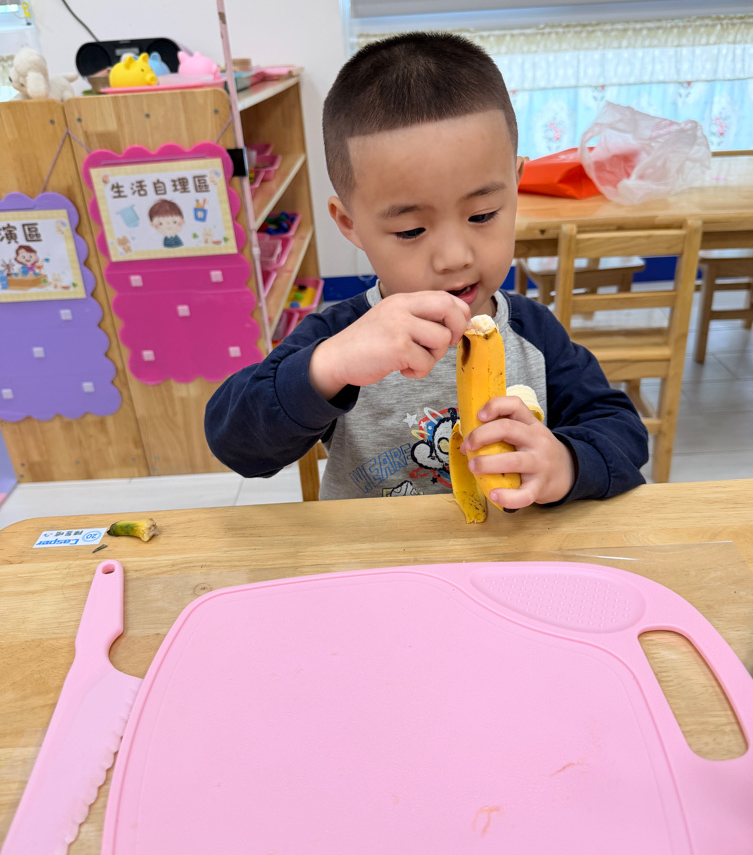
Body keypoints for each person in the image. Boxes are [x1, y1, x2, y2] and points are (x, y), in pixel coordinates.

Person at [205, 33, 648, 510]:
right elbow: (236, 443)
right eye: (411, 230)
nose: (454, 257)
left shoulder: (534, 335)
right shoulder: (341, 337)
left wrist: (567, 462)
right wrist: (328, 367)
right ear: (350, 224)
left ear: (515, 188)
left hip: (505, 549)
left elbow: (622, 433)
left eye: (482, 215)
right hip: (376, 554)